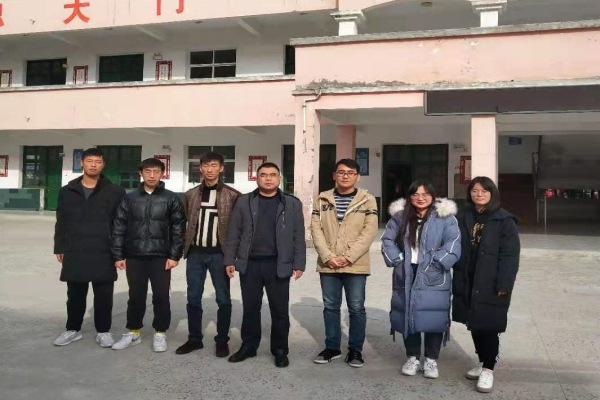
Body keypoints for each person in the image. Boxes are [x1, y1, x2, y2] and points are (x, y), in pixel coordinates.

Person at [224, 162, 305, 368]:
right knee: (251, 308)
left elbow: (298, 235)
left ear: (279, 179)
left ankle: (280, 350)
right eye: (263, 175)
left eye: (272, 175)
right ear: (256, 178)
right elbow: (234, 232)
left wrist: (299, 263)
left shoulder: (292, 203)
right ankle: (249, 346)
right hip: (250, 264)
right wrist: (230, 259)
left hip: (278, 264)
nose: (268, 178)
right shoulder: (244, 202)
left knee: (279, 310)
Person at [381, 180, 460, 379]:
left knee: (434, 315)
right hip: (407, 270)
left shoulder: (445, 218)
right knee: (409, 313)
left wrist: (438, 262)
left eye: (425, 194)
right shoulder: (400, 217)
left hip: (434, 271)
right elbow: (387, 240)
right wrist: (397, 259)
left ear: (433, 196)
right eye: (415, 194)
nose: (420, 198)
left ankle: (431, 359)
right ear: (409, 197)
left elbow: (453, 242)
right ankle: (413, 356)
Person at [110, 158, 186, 353]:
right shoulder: (129, 198)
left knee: (161, 295)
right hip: (135, 255)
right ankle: (133, 331)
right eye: (148, 171)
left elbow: (178, 229)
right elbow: (119, 227)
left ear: (162, 173)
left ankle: (160, 333)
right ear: (141, 173)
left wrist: (174, 255)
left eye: (156, 171)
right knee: (136, 295)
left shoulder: (171, 198)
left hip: (161, 256)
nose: (152, 175)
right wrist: (118, 255)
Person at [452, 176, 520, 393]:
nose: (479, 194)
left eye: (484, 191)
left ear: (492, 194)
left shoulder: (504, 220)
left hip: (491, 280)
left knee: (489, 325)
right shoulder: (464, 216)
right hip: (467, 277)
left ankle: (489, 368)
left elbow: (510, 255)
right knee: (474, 322)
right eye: (475, 191)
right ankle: (482, 361)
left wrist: (504, 284)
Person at [53, 148, 125, 348]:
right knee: (75, 294)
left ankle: (103, 331)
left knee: (104, 294)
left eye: (98, 161)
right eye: (89, 161)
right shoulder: (67, 191)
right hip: (75, 248)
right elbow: (61, 221)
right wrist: (59, 246)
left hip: (104, 249)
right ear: (81, 163)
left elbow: (121, 224)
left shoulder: (115, 191)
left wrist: (119, 251)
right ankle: (72, 329)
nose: (93, 165)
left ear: (103, 165)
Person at [311, 159, 379, 368]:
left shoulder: (367, 200)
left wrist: (348, 257)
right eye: (341, 172)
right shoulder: (322, 199)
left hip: (356, 264)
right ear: (334, 175)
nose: (345, 176)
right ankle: (332, 347)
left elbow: (369, 232)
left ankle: (355, 350)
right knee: (330, 307)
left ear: (357, 176)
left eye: (350, 172)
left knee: (356, 308)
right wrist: (328, 256)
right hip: (328, 264)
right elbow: (316, 230)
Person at [176, 152, 241, 358]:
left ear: (222, 168)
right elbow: (183, 223)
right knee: (193, 298)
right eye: (206, 165)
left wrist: (232, 257)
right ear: (200, 168)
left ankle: (222, 340)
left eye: (214, 165)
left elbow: (237, 229)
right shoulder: (191, 194)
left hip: (219, 255)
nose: (209, 169)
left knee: (223, 299)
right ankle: (194, 339)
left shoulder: (233, 195)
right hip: (195, 254)